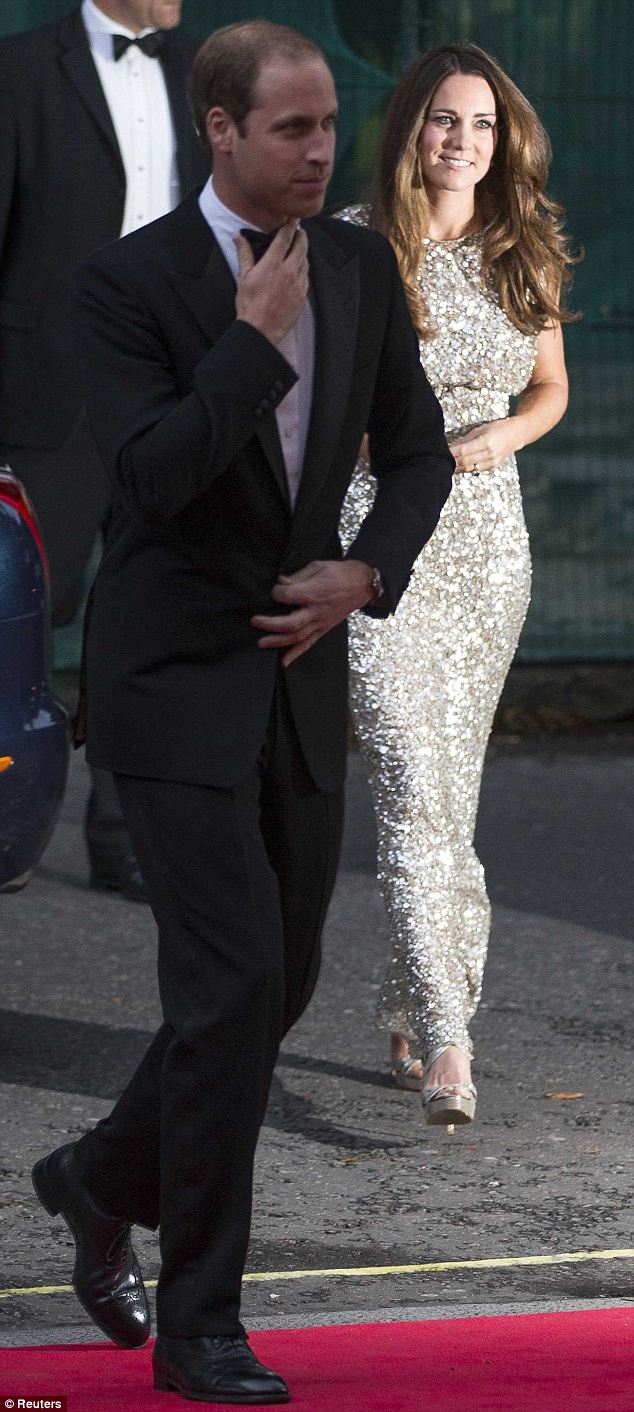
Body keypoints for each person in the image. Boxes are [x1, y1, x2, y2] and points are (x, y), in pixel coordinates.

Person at [31, 21, 454, 1405]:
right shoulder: (126, 282)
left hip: (299, 677)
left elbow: (417, 454)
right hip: (168, 687)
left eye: (329, 125)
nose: (322, 151)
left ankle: (100, 1175)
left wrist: (365, 570)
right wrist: (251, 344)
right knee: (226, 991)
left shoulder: (359, 265)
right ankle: (201, 1322)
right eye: (291, 129)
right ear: (219, 129)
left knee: (280, 983)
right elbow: (151, 482)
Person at [339, 43, 575, 1126]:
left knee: (451, 796)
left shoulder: (524, 246)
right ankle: (446, 1036)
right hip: (381, 537)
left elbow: (549, 389)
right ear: (411, 129)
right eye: (444, 119)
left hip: (487, 548)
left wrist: (498, 438)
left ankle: (407, 997)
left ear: (502, 139)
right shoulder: (354, 244)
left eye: (482, 124)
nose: (462, 141)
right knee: (405, 777)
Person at [0, 0, 209, 900]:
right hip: (46, 397)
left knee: (148, 621)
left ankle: (126, 842)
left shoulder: (205, 69)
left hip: (174, 392)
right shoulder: (17, 70)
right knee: (19, 617)